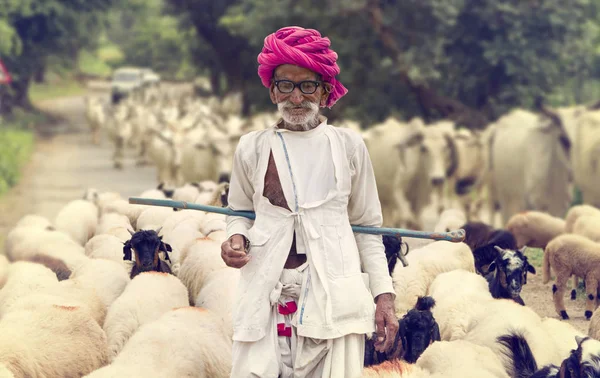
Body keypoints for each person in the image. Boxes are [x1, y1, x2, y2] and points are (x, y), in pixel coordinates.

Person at [221, 26, 397, 378]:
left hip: (333, 296)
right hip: (265, 294)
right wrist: (234, 238)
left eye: (307, 86)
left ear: (325, 90)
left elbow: (367, 229)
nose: (296, 97)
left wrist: (384, 296)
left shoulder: (349, 146)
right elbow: (238, 213)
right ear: (272, 92)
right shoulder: (252, 147)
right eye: (285, 85)